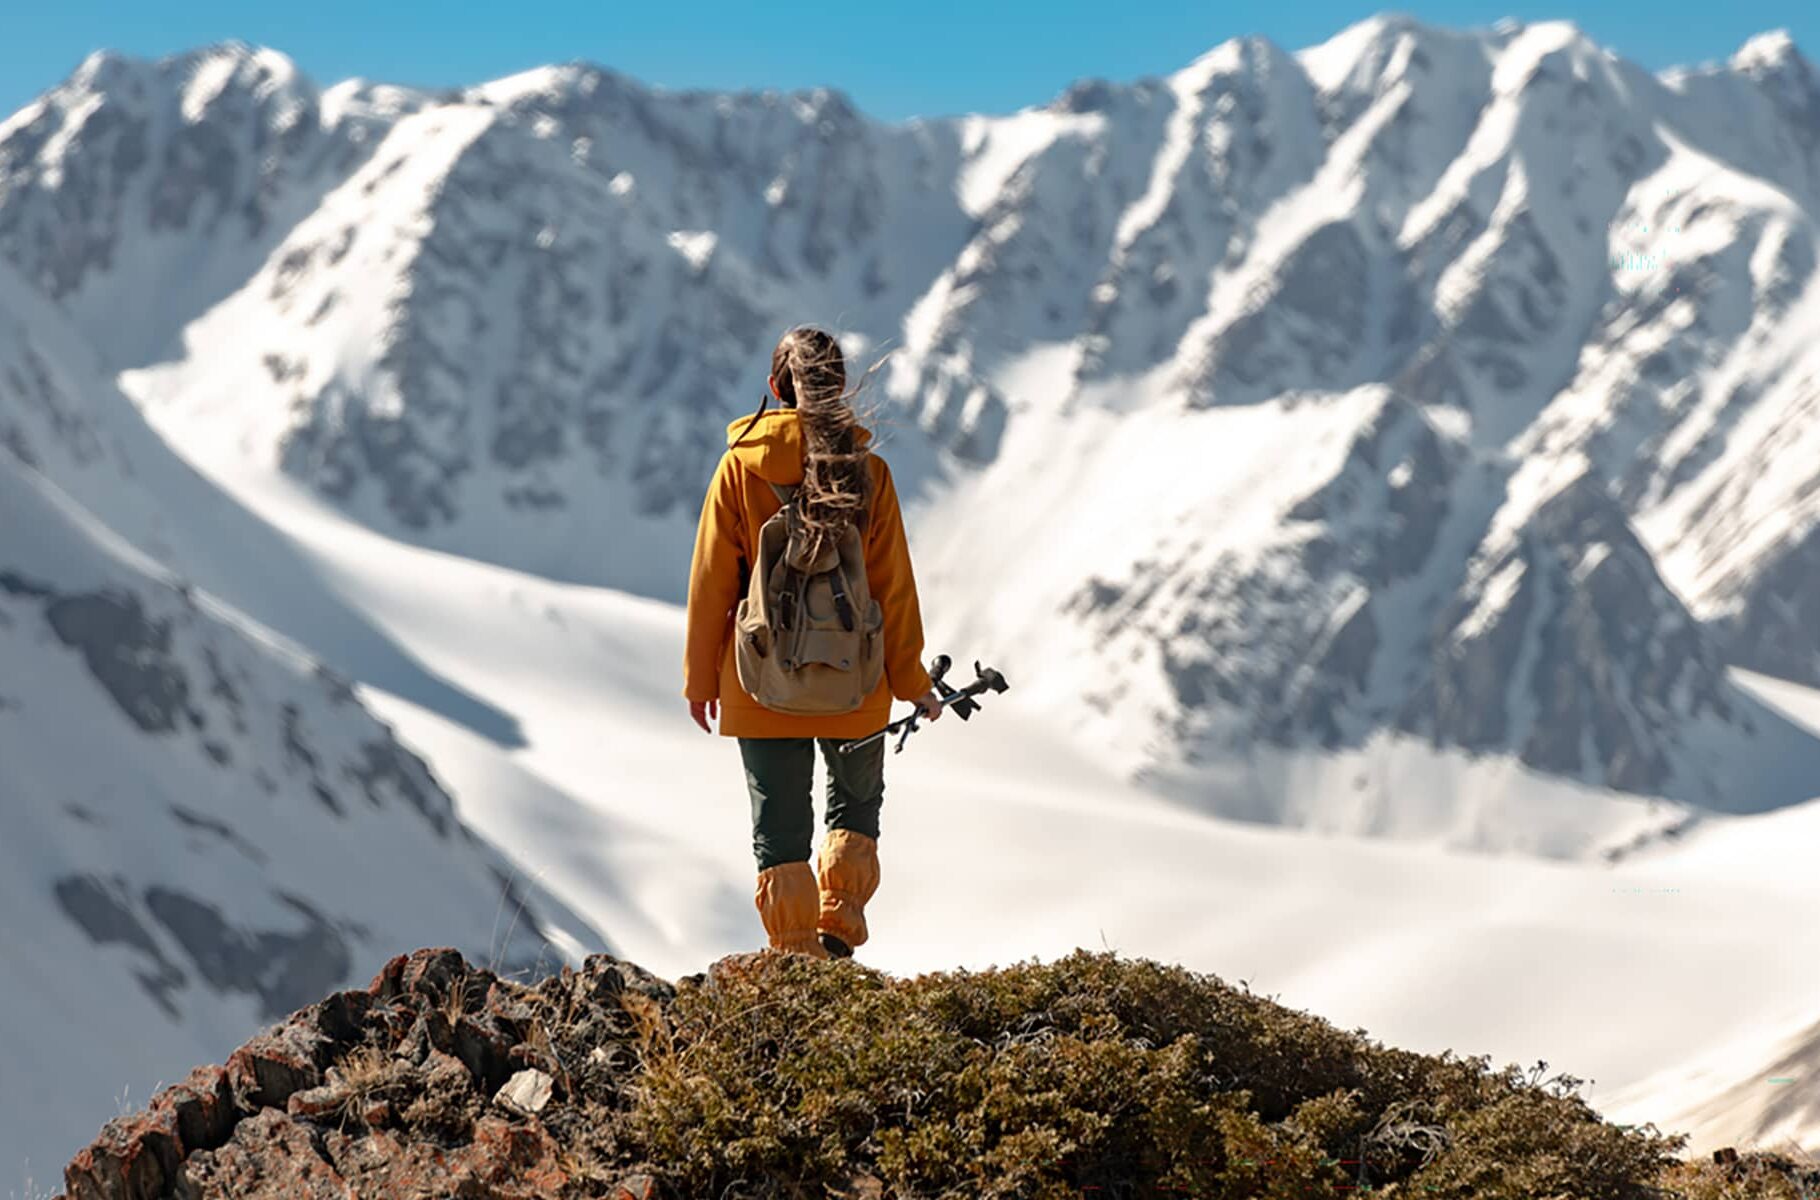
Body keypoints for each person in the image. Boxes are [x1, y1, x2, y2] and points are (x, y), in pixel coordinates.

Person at [683, 326, 943, 960]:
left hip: (758, 678)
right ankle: (838, 928)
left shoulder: (741, 468)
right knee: (854, 804)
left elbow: (713, 581)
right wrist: (913, 683)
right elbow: (892, 591)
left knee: (780, 829)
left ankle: (796, 959)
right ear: (839, 388)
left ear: (776, 387)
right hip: (857, 679)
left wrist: (699, 681)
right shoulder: (870, 475)